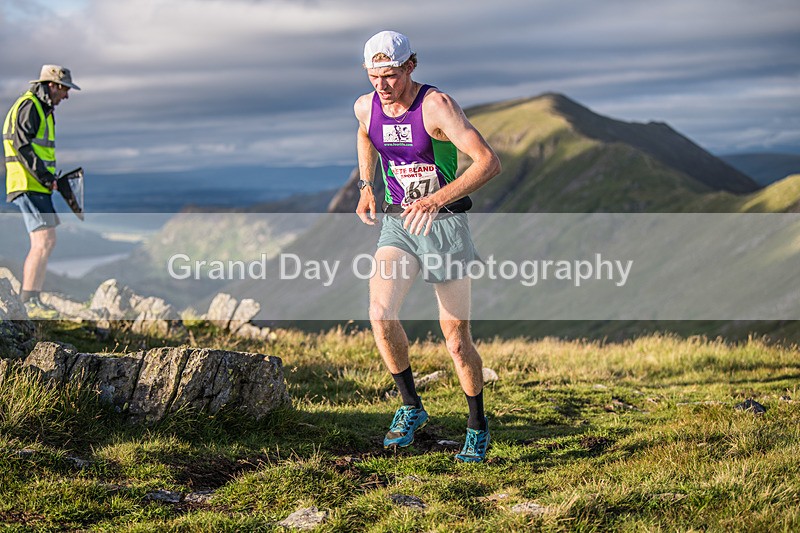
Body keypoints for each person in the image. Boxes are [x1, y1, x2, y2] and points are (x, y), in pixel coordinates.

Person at [354, 31, 502, 462]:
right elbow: (365, 134)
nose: (383, 85)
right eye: (374, 75)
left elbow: (489, 162)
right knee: (380, 315)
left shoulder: (436, 106)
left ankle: (476, 425)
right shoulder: (366, 105)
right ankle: (411, 407)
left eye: (392, 75)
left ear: (411, 67)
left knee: (455, 340)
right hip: (400, 224)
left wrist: (437, 200)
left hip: (445, 225)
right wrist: (367, 185)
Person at [3, 65, 80, 317]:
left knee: (46, 240)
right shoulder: (31, 106)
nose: (66, 96)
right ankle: (29, 300)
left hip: (35, 184)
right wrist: (46, 177)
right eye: (65, 90)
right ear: (53, 85)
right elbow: (22, 145)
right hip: (29, 184)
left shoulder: (40, 108)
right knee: (44, 240)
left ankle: (32, 297)